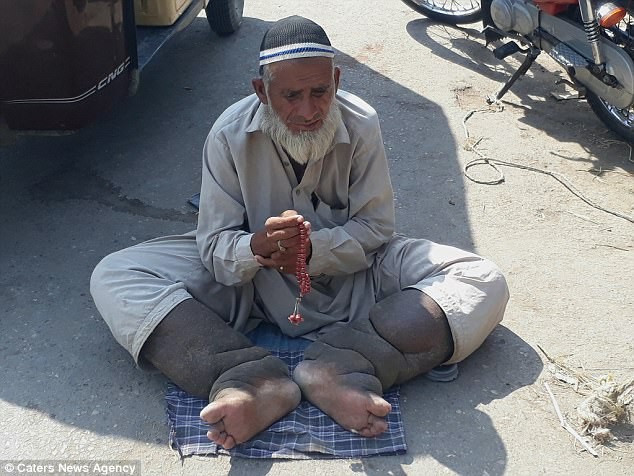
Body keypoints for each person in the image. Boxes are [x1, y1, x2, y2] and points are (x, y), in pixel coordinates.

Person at [90, 15, 509, 450]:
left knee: (482, 279)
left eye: (320, 92)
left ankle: (343, 366)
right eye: (290, 96)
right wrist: (254, 247)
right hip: (253, 285)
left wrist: (314, 251)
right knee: (115, 275)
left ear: (337, 81)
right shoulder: (229, 134)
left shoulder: (361, 122)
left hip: (355, 277)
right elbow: (214, 244)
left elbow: (377, 228)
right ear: (262, 92)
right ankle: (248, 379)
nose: (308, 111)